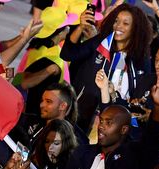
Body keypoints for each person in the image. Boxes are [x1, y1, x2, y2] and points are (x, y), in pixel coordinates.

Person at [60, 3, 153, 134]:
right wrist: (81, 27)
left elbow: (139, 96)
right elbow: (67, 54)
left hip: (113, 126)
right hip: (81, 117)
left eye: (125, 24)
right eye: (116, 21)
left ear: (135, 29)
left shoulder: (141, 61)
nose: (118, 26)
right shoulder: (101, 43)